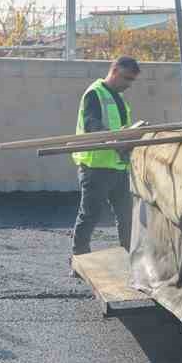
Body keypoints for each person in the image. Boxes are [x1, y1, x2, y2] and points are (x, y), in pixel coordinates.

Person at [70, 55, 140, 260]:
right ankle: (79, 257)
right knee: (90, 214)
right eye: (127, 78)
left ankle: (130, 256)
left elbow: (121, 128)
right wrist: (113, 142)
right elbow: (92, 124)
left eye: (132, 80)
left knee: (125, 215)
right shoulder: (94, 93)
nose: (129, 84)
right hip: (96, 167)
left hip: (118, 166)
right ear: (115, 71)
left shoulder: (118, 97)